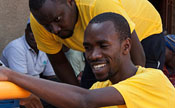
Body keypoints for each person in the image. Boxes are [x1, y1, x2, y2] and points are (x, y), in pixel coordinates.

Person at [0, 12, 174, 108]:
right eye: (88, 48)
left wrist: (10, 75)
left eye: (103, 45)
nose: (93, 55)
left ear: (126, 46)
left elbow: (84, 100)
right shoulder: (101, 87)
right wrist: (31, 96)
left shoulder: (153, 79)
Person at [29, 0, 149, 88]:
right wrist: (78, 97)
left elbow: (138, 63)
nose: (54, 30)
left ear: (70, 2)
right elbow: (59, 63)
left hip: (145, 32)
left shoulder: (98, 4)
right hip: (107, 51)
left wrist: (133, 89)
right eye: (47, 25)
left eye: (58, 19)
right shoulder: (40, 21)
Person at [0, 21, 57, 108]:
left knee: (58, 96)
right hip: (19, 90)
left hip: (36, 88)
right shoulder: (16, 47)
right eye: (32, 32)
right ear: (26, 31)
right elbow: (21, 81)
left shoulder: (45, 46)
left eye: (38, 32)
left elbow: (51, 77)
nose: (34, 36)